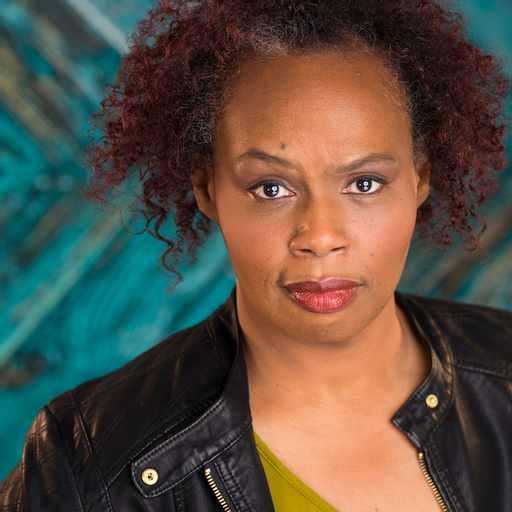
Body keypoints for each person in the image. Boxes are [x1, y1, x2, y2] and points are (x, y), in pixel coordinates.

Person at [1, 0, 511, 510]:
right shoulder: (85, 467)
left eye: (364, 182)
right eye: (271, 188)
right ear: (208, 189)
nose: (320, 235)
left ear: (420, 178)